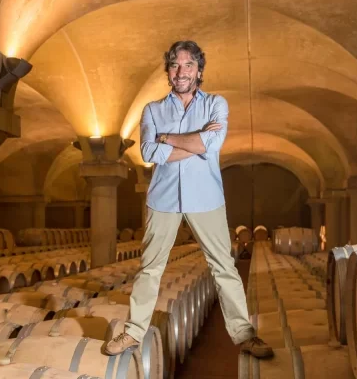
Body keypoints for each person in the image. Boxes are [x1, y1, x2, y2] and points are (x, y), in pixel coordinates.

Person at [103, 40, 273, 359]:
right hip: (162, 199)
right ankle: (133, 332)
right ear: (168, 71)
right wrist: (192, 144)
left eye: (188, 65)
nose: (181, 72)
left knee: (224, 266)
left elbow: (212, 143)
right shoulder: (152, 109)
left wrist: (168, 139)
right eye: (175, 65)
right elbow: (150, 152)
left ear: (199, 70)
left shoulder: (216, 105)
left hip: (206, 197)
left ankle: (245, 335)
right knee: (150, 268)